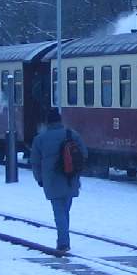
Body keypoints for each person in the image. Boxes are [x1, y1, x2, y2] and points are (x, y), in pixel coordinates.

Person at [30, 108, 87, 253]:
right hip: (70, 178)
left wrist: (39, 179)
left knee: (59, 212)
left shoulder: (40, 139)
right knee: (65, 211)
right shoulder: (72, 134)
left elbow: (35, 162)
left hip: (51, 180)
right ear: (60, 120)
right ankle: (64, 238)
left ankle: (63, 242)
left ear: (48, 122)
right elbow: (84, 154)